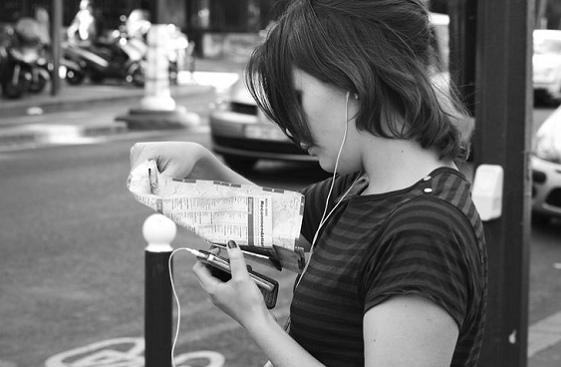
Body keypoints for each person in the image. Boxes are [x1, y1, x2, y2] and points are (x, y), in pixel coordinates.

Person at [129, 0, 487, 366]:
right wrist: (199, 161)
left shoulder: (425, 230)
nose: (290, 128)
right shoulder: (360, 185)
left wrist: (256, 320)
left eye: (296, 98)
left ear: (353, 78)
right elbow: (261, 222)